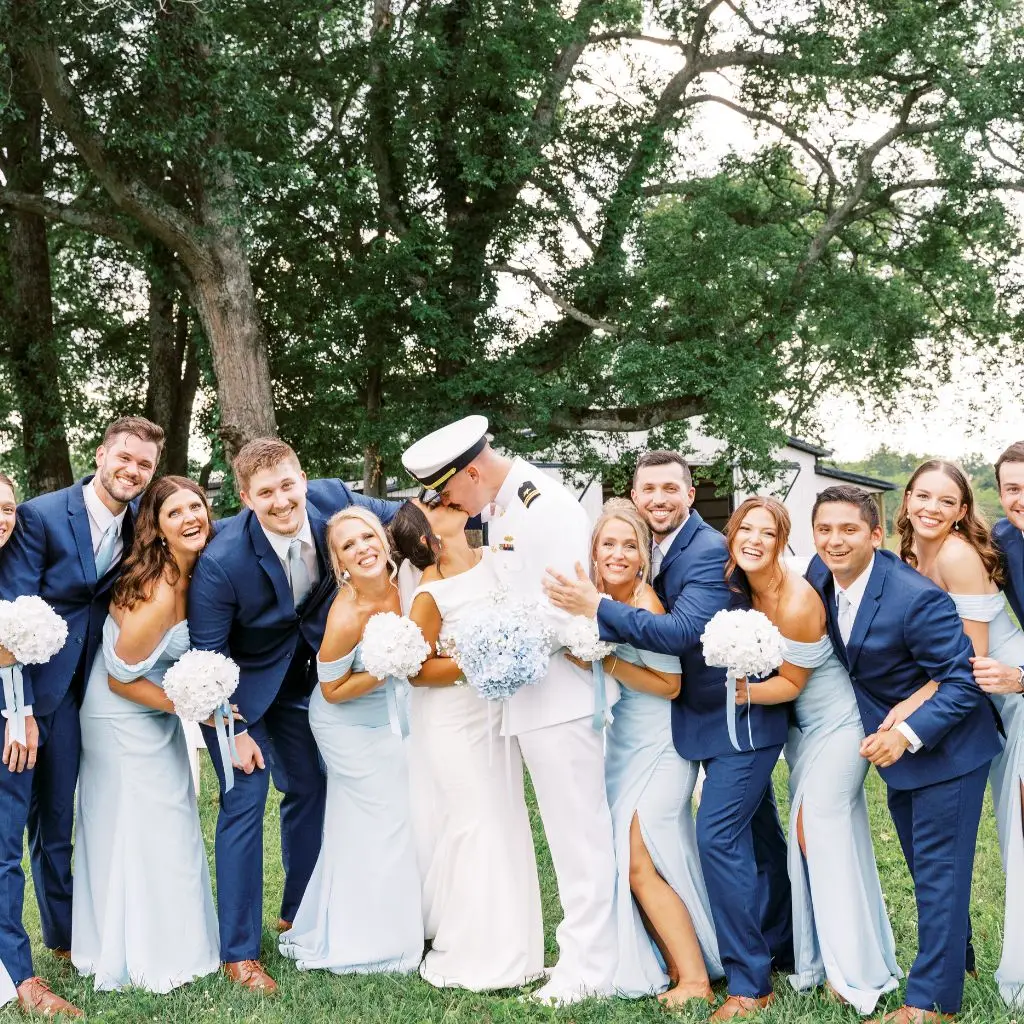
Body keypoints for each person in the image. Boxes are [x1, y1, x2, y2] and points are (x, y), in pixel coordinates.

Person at [546, 451, 792, 1022]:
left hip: (731, 719)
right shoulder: (655, 553)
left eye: (670, 488)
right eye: (648, 489)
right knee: (760, 844)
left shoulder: (704, 551)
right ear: (635, 496)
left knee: (716, 840)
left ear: (690, 493)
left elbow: (680, 634)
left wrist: (597, 613)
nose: (658, 499)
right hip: (684, 725)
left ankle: (748, 983)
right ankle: (779, 947)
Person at [401, 417, 614, 1004]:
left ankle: (589, 973)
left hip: (560, 697)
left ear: (471, 472)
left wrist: (494, 646)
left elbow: (562, 608)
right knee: (566, 840)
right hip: (530, 698)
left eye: (449, 493)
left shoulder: (543, 507)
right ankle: (578, 960)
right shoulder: (506, 508)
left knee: (579, 839)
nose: (453, 507)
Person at [187, 438, 402, 993]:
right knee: (244, 797)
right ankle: (239, 953)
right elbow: (208, 657)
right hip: (240, 690)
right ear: (245, 497)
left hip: (304, 681)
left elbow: (404, 519)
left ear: (303, 479)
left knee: (309, 786)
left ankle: (299, 911)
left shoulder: (334, 501)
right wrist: (233, 730)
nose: (281, 501)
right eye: (266, 493)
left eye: (288, 485)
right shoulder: (222, 559)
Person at [807, 484, 1001, 1024]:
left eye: (849, 530)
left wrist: (906, 734)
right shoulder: (822, 575)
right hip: (899, 754)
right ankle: (958, 964)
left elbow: (963, 680)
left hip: (949, 748)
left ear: (876, 535)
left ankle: (932, 1002)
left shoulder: (914, 598)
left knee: (939, 872)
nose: (835, 540)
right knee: (928, 869)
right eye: (824, 529)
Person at [0, 417, 164, 1018]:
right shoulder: (40, 516)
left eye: (144, 465)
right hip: (19, 699)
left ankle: (64, 939)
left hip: (78, 698)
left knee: (57, 827)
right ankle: (18, 975)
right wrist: (19, 709)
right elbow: (12, 615)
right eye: (125, 458)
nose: (133, 471)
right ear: (101, 455)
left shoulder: (143, 521)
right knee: (6, 837)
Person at [727, 497, 900, 1013]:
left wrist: (734, 690)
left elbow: (789, 685)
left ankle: (854, 973)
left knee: (815, 831)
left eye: (768, 533)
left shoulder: (798, 600)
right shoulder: (739, 588)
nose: (755, 541)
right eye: (746, 530)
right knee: (824, 841)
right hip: (803, 734)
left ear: (783, 542)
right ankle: (830, 958)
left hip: (838, 723)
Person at [71, 476, 219, 992]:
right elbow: (120, 678)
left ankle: (174, 940)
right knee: (141, 824)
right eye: (174, 513)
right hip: (117, 714)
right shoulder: (157, 592)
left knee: (171, 819)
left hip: (152, 706)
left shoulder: (197, 569)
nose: (190, 518)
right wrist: (193, 707)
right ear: (156, 528)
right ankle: (138, 952)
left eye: (195, 506)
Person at [389, 498, 544, 991]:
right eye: (435, 504)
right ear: (426, 535)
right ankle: (476, 946)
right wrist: (481, 661)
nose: (450, 500)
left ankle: (515, 942)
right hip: (453, 721)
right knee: (477, 822)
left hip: (496, 713)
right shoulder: (429, 593)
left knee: (506, 816)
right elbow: (416, 672)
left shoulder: (495, 559)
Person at [579, 498, 722, 1006]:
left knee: (642, 861)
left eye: (629, 545)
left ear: (644, 555)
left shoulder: (646, 603)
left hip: (661, 745)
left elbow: (670, 685)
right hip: (622, 744)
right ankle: (676, 959)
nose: (618, 554)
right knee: (638, 860)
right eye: (608, 544)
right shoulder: (593, 599)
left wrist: (606, 661)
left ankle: (696, 982)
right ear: (594, 551)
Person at [896, 458, 1024, 1006]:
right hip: (972, 699)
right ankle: (959, 960)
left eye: (946, 501)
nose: (932, 508)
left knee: (1016, 831)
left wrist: (909, 706)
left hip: (1007, 691)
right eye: (923, 496)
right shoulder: (909, 553)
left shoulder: (956, 555)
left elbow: (968, 660)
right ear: (906, 499)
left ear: (962, 511)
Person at [280, 507, 422, 976]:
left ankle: (405, 917)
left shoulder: (408, 585)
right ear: (338, 562)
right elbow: (332, 689)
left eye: (367, 537)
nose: (362, 549)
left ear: (383, 540)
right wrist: (386, 666)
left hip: (392, 712)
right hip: (345, 724)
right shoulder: (346, 614)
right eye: (348, 545)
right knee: (381, 820)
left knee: (404, 813)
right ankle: (371, 937)